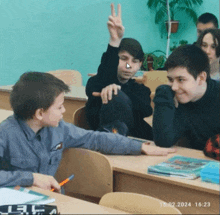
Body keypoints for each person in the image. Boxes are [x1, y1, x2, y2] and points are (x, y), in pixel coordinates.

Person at [0, 72, 176, 191]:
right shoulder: (6, 133)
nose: (63, 111)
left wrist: (139, 147)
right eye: (60, 107)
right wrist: (30, 178)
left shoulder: (59, 129)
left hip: (49, 200)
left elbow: (95, 139)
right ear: (39, 113)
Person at [85, 3, 153, 140]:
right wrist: (114, 41)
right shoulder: (96, 83)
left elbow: (145, 109)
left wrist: (117, 89)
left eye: (134, 62)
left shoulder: (141, 90)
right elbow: (103, 80)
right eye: (123, 59)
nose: (129, 66)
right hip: (106, 142)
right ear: (115, 58)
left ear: (140, 65)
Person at [153, 44, 220, 150]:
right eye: (170, 79)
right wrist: (163, 92)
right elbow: (163, 141)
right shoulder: (179, 99)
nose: (174, 87)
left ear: (201, 78)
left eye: (181, 80)